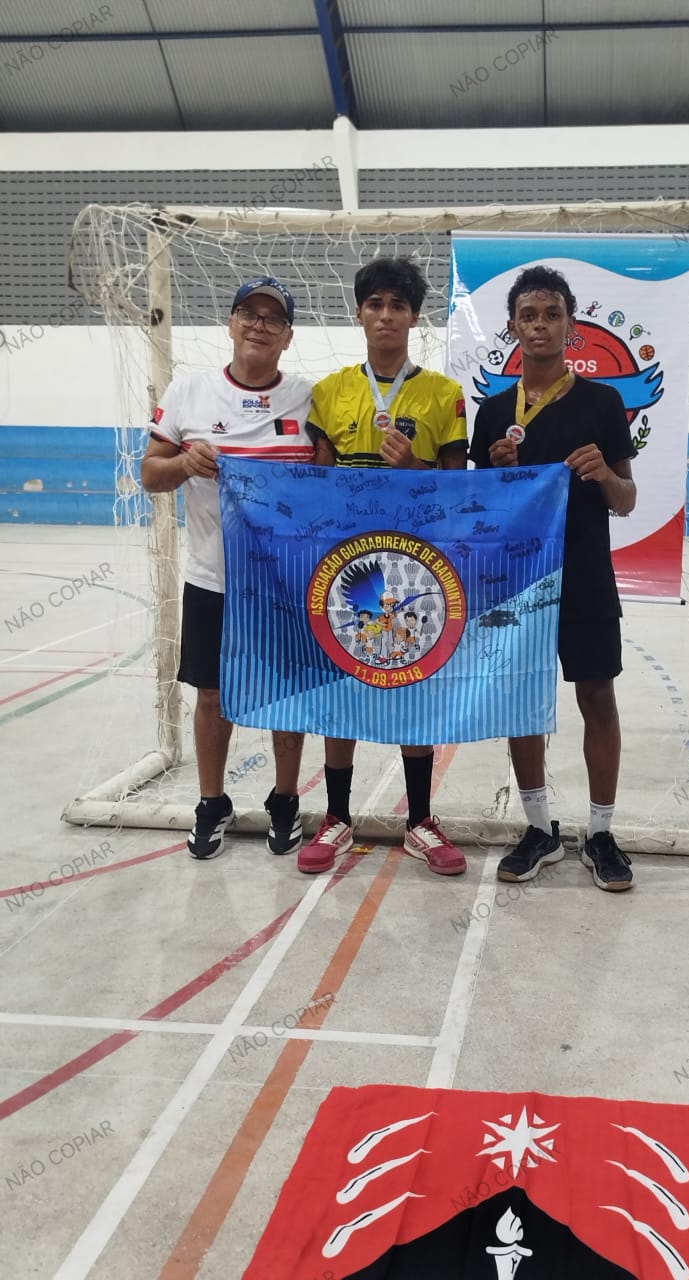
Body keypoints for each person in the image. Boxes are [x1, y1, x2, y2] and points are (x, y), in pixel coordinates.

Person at [469, 265, 637, 892]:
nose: (540, 325)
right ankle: (540, 828)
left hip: (587, 573)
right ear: (513, 325)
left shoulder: (603, 402)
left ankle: (601, 833)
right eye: (528, 315)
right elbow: (477, 510)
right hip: (516, 581)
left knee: (597, 696)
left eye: (552, 314)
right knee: (521, 701)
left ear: (570, 323)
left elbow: (626, 500)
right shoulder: (492, 413)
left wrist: (603, 473)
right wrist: (494, 471)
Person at [301, 257, 469, 878]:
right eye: (375, 304)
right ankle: (337, 815)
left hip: (416, 569)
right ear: (360, 314)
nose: (385, 315)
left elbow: (457, 494)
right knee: (343, 683)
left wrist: (414, 473)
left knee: (414, 684)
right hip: (345, 568)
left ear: (414, 318)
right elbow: (316, 483)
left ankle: (419, 818)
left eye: (397, 305)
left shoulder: (443, 395)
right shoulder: (332, 391)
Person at [141, 277, 314, 861]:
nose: (259, 324)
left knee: (286, 692)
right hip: (213, 578)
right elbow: (149, 474)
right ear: (232, 323)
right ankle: (212, 802)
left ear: (287, 336)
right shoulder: (189, 392)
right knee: (212, 695)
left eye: (273, 317)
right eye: (249, 313)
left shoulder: (308, 398)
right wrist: (187, 462)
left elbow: (331, 479)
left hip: (286, 580)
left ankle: (285, 799)